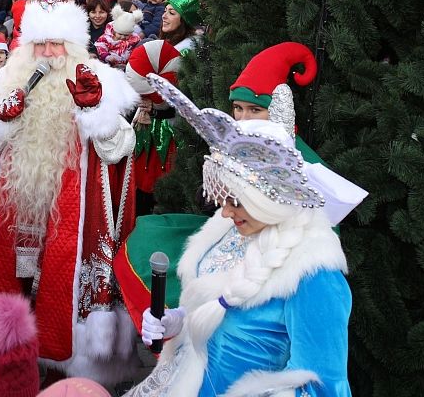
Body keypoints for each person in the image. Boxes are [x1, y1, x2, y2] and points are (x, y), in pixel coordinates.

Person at [126, 80, 354, 397]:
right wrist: (179, 322)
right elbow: (220, 307)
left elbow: (322, 385)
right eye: (224, 198)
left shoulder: (314, 273)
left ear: (270, 200)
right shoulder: (232, 229)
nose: (226, 212)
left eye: (237, 200)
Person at [0, 0, 139, 385]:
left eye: (58, 45)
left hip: (71, 209)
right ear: (27, 46)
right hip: (15, 206)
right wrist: (2, 119)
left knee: (60, 281)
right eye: (41, 45)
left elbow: (119, 149)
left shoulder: (100, 78)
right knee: (9, 276)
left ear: (74, 47)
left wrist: (95, 111)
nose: (50, 54)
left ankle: (72, 371)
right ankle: (6, 364)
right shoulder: (8, 77)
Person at [95, 4, 143, 70]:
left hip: (126, 65)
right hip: (109, 64)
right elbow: (100, 46)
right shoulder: (107, 38)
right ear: (114, 31)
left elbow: (137, 49)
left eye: (126, 35)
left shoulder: (134, 39)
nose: (123, 37)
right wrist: (106, 56)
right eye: (120, 34)